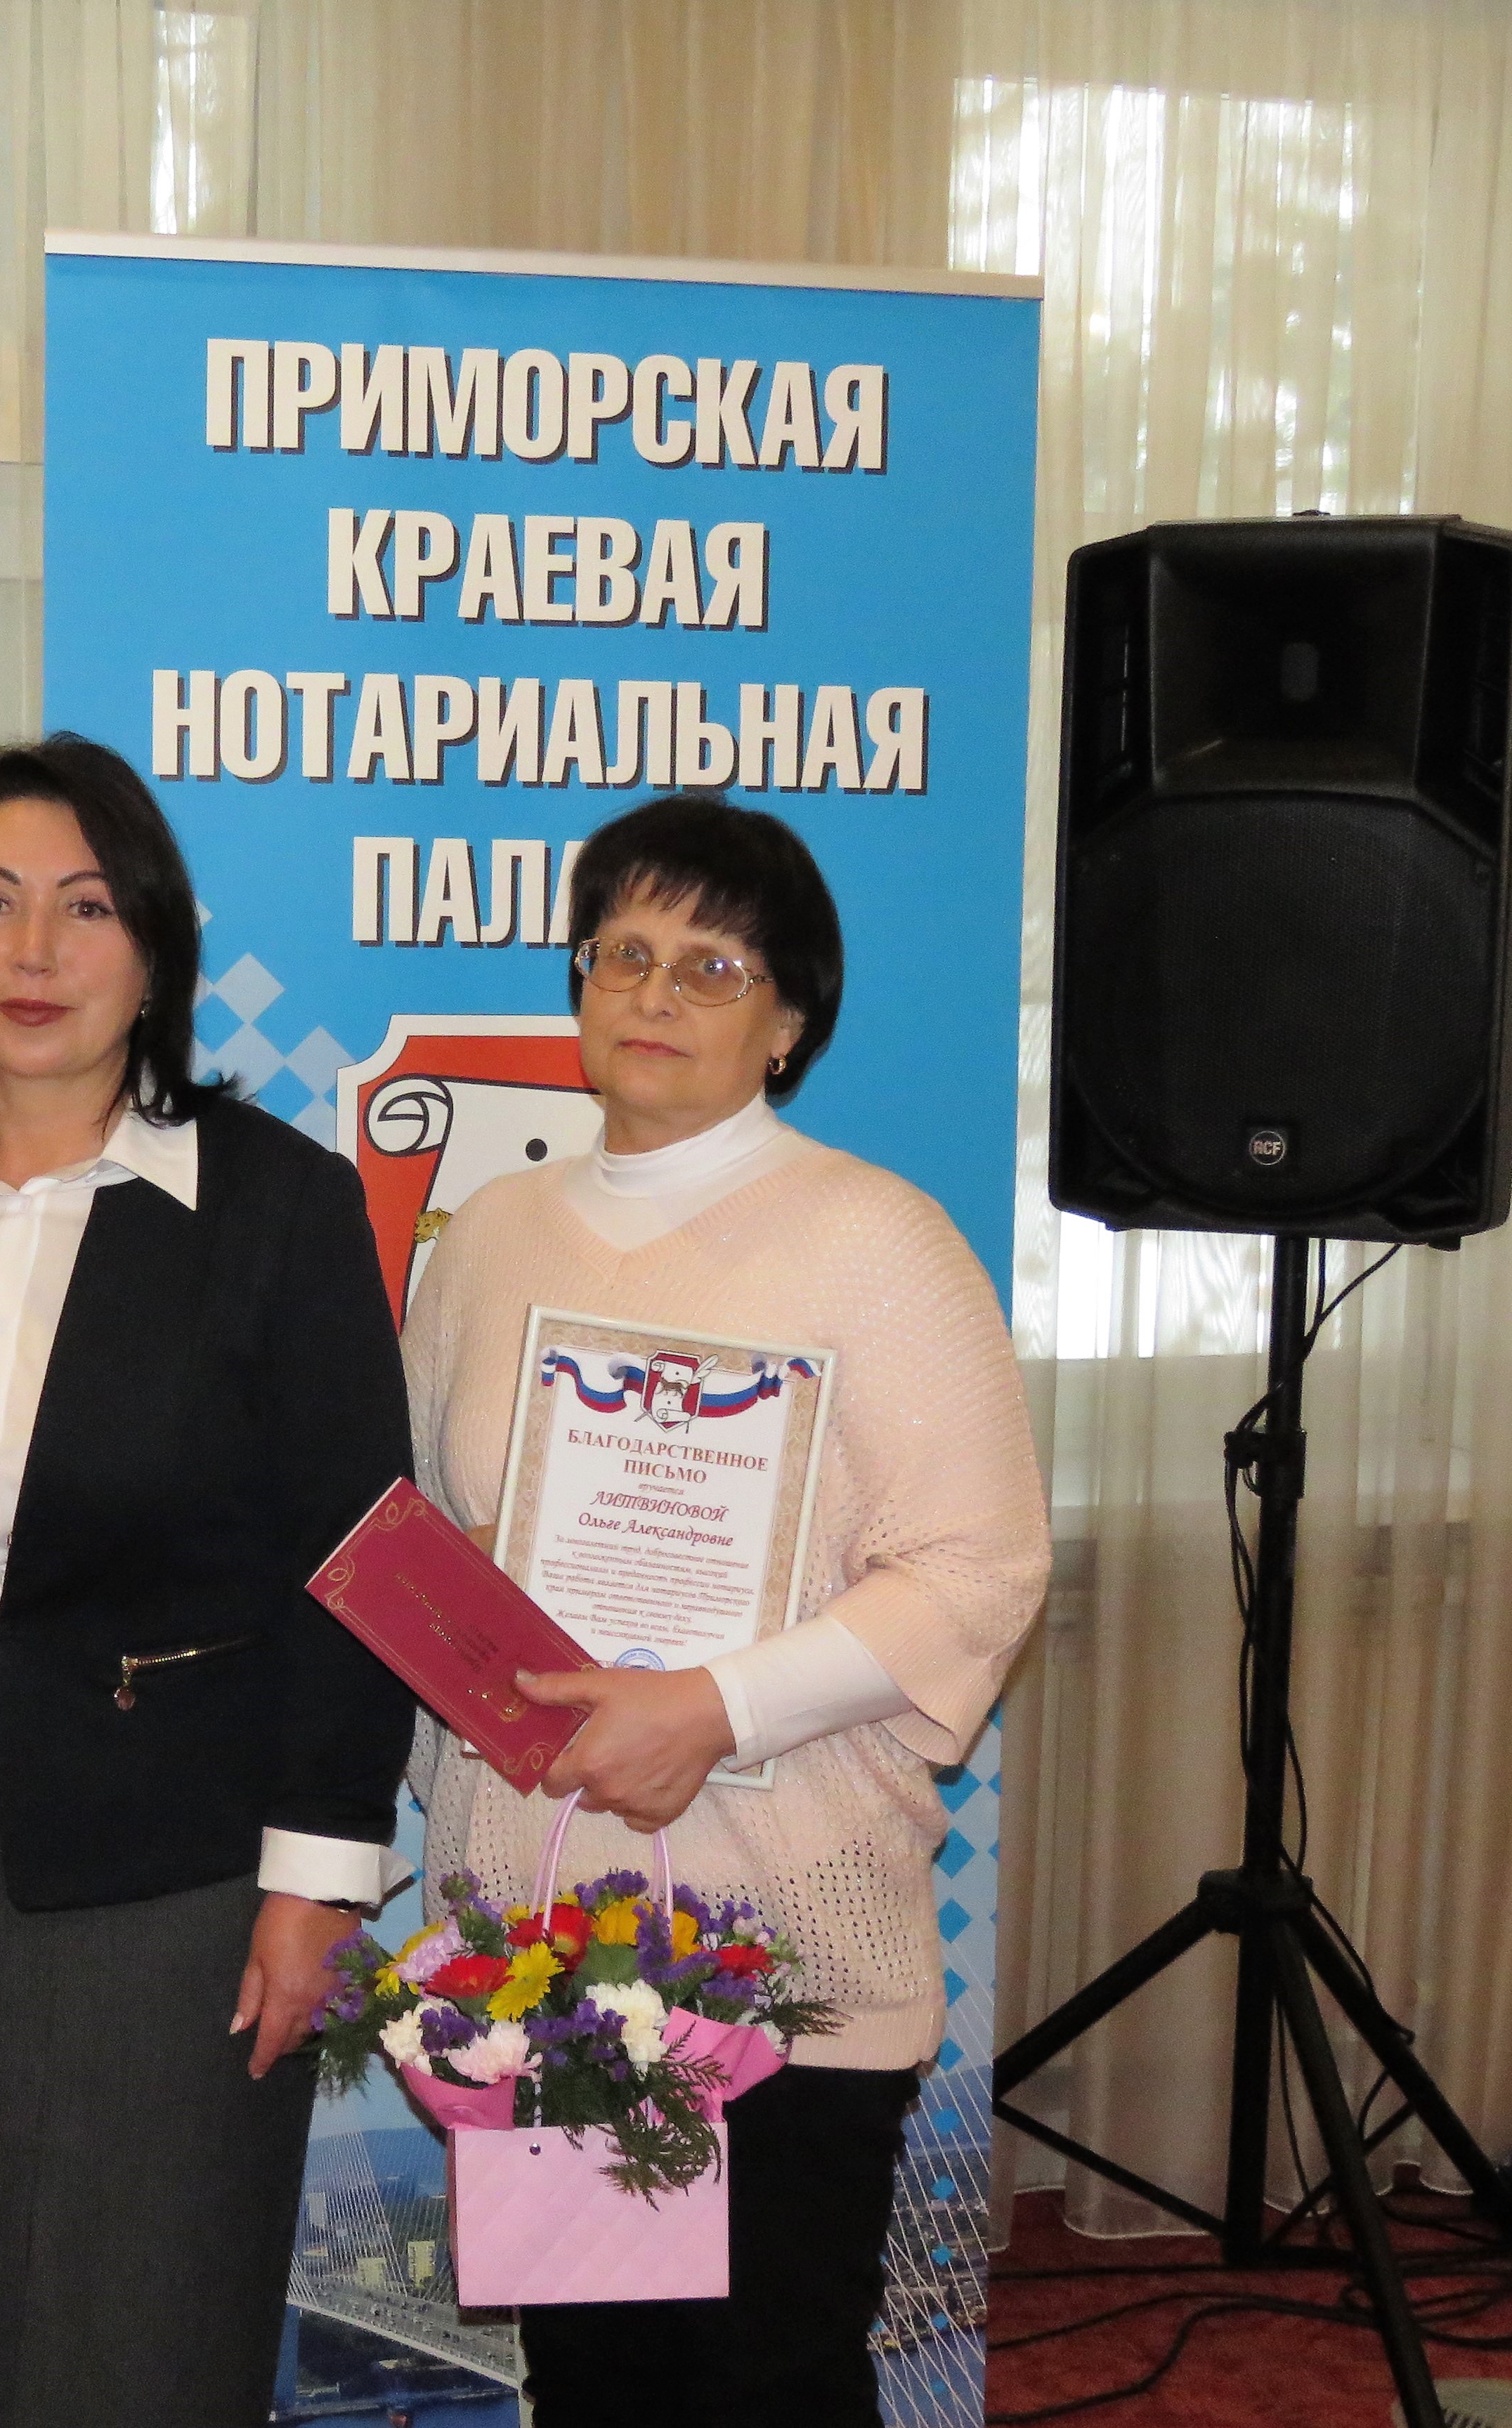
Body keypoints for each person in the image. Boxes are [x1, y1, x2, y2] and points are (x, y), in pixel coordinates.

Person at [0, 734, 415, 2428]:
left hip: (184, 1880)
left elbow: (354, 1561)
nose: (35, 952)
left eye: (87, 907)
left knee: (152, 2323)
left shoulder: (277, 1203)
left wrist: (320, 1882)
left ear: (156, 951)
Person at [402, 795, 1050, 2428]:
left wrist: (713, 1709)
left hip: (778, 1930)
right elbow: (430, 1536)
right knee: (594, 2382)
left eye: (712, 966)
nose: (654, 994)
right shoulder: (488, 1239)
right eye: (622, 953)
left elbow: (980, 1566)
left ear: (790, 1021)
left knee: (764, 2386)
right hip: (545, 1939)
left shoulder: (878, 1241)